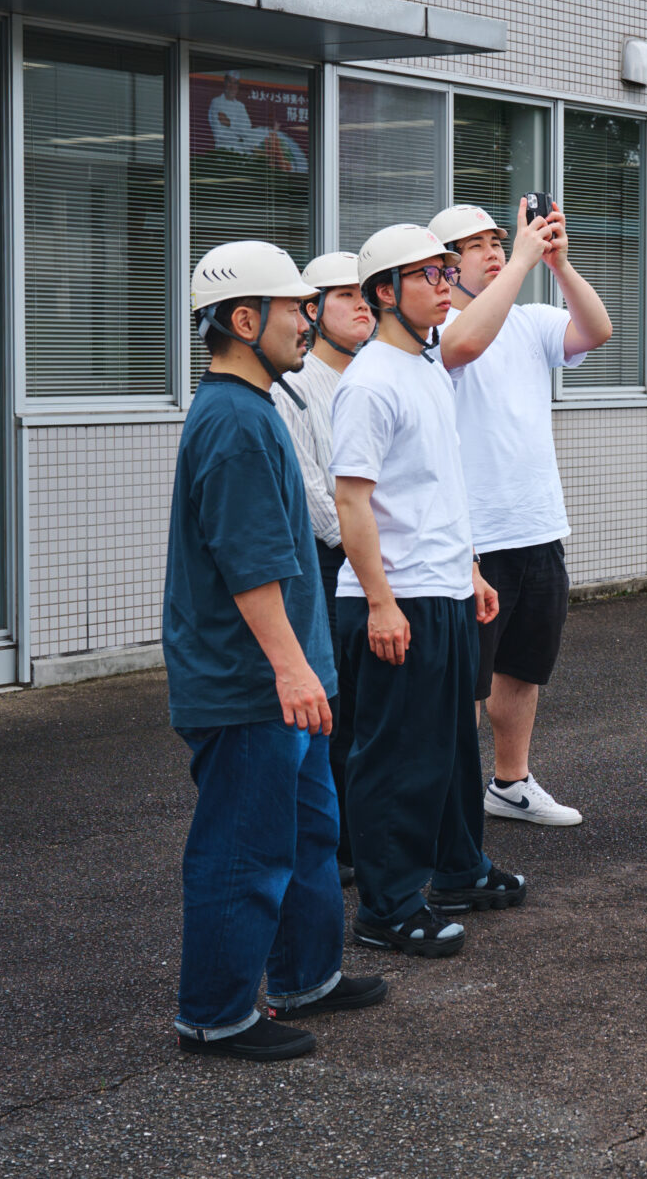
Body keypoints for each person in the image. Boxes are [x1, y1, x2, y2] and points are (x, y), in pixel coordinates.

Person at [165, 240, 386, 1062]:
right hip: (251, 683)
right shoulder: (231, 420)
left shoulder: (260, 406)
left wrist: (305, 669)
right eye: (295, 307)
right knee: (242, 848)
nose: (308, 318)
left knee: (306, 836)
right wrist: (293, 668)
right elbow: (249, 565)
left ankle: (306, 978)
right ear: (244, 319)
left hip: (285, 678)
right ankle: (214, 1016)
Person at [329, 221, 547, 955]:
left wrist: (472, 571)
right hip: (398, 598)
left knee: (454, 745)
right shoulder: (368, 382)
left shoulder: (425, 366)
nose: (444, 281)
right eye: (426, 273)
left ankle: (458, 867)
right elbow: (353, 503)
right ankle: (387, 907)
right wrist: (383, 601)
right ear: (384, 292)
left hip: (447, 587)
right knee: (398, 756)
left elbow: (437, 488)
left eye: (444, 270)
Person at [429, 200, 613, 827]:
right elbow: (465, 343)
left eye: (497, 240)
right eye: (475, 244)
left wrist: (558, 264)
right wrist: (526, 262)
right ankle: (447, 801)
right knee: (466, 683)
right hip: (473, 537)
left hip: (537, 523)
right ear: (444, 267)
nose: (494, 249)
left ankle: (510, 783)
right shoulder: (433, 329)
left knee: (523, 668)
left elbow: (597, 330)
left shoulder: (532, 320)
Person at [271, 251, 375, 886]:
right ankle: (336, 845)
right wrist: (367, 545)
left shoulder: (374, 374)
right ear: (311, 310)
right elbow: (317, 496)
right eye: (345, 295)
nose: (363, 303)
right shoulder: (295, 385)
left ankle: (360, 834)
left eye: (367, 293)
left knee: (367, 709)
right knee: (336, 707)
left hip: (372, 561)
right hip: (332, 561)